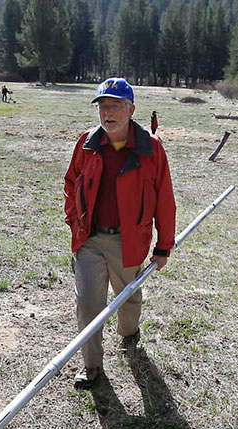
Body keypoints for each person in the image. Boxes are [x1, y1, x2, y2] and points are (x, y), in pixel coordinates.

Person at [63, 77, 176, 390]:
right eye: (102, 106)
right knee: (87, 302)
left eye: (115, 105)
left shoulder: (150, 149)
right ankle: (92, 367)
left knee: (128, 302)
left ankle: (129, 334)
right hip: (89, 240)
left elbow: (165, 199)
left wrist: (164, 245)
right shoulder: (87, 143)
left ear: (131, 109)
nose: (107, 112)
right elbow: (71, 183)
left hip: (129, 241)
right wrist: (74, 220)